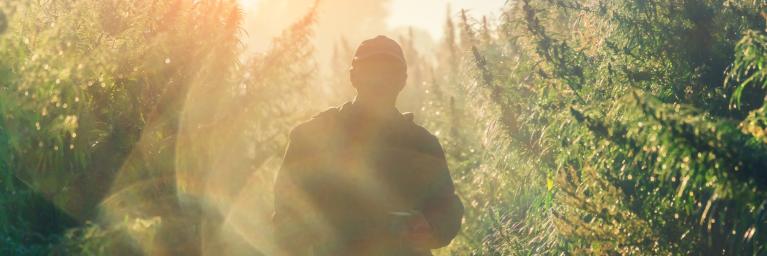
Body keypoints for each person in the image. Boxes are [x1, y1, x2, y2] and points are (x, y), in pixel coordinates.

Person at [272, 35, 464, 256]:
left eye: (389, 72)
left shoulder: (423, 144)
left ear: (402, 80)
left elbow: (446, 206)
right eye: (371, 71)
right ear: (354, 77)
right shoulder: (312, 137)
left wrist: (430, 227)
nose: (379, 80)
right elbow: (287, 211)